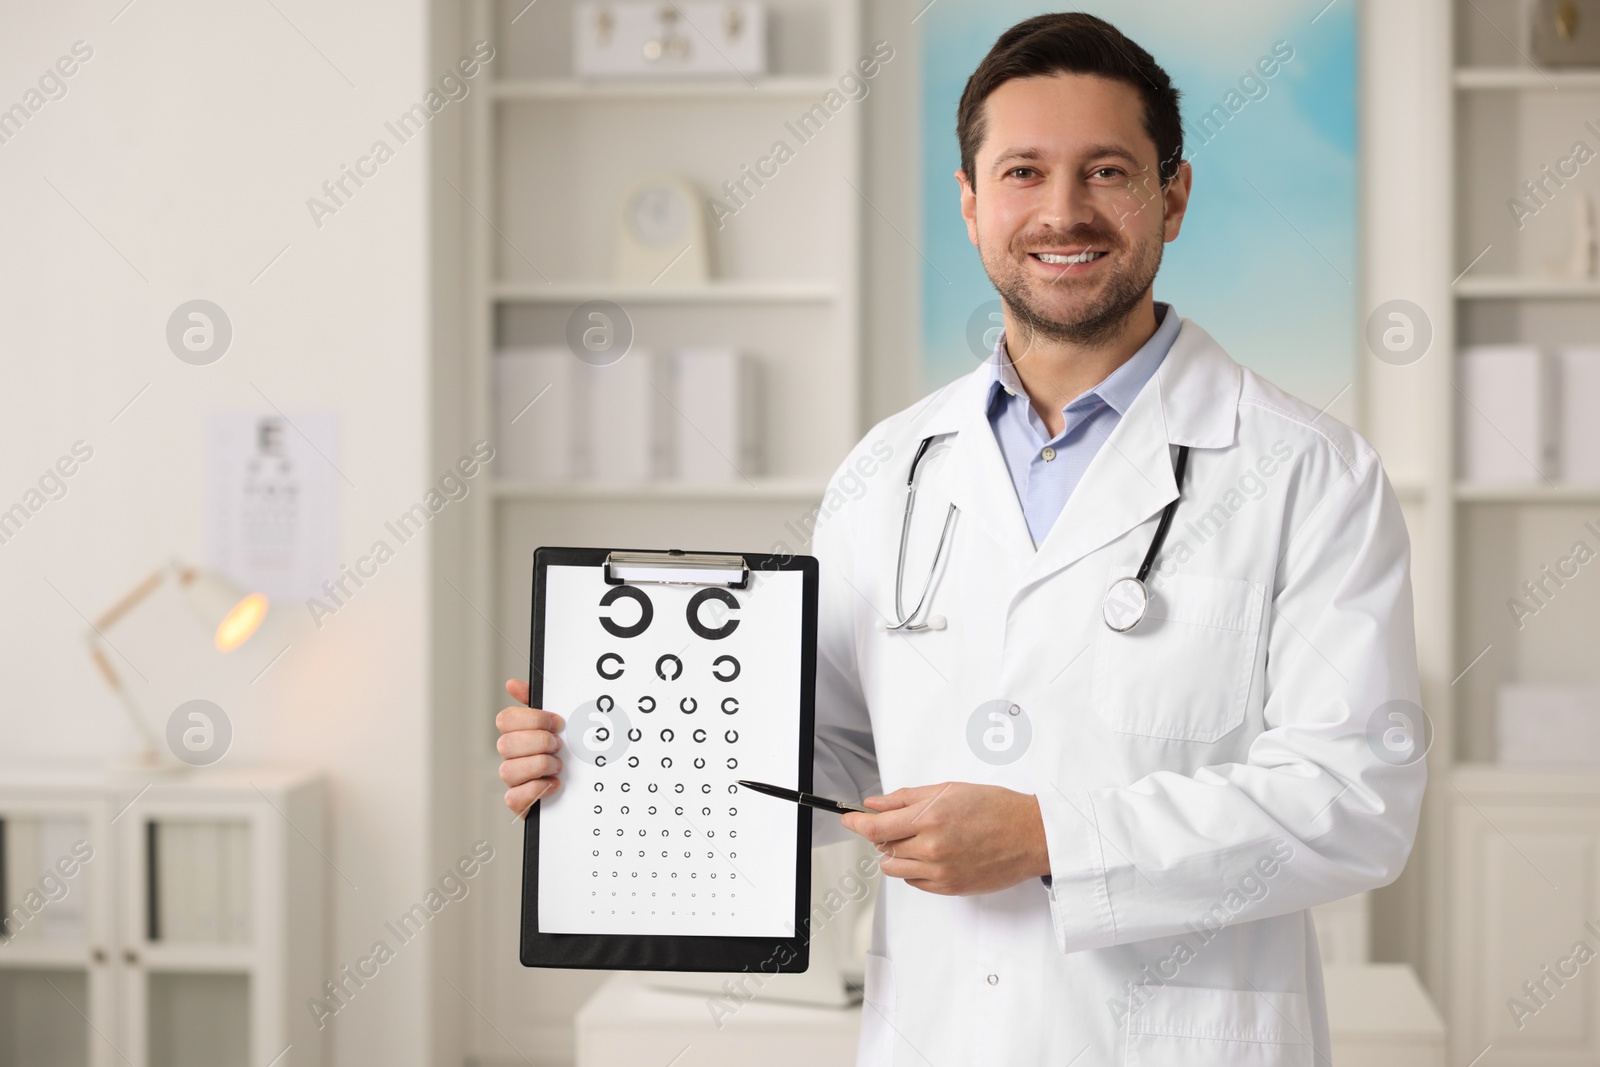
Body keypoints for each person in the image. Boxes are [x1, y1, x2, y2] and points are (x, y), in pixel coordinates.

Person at [496, 12, 1425, 1064]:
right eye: (1023, 171)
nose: (1062, 210)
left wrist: (1046, 839)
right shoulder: (888, 470)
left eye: (1107, 171)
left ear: (1172, 194)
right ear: (971, 201)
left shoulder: (1307, 473)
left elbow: (1354, 798)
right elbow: (837, 757)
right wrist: (611, 751)